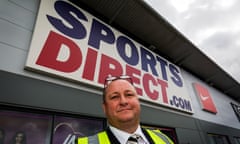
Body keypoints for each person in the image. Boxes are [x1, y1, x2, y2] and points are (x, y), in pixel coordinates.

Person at [77, 75, 174, 144]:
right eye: (114, 97)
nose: (123, 102)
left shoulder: (164, 139)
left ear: (138, 101)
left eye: (129, 95)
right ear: (105, 108)